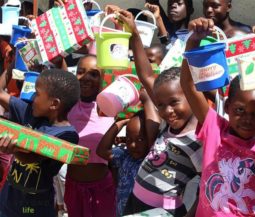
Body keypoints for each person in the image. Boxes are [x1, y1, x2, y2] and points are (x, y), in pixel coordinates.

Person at [180, 17, 255, 216]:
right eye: (240, 110)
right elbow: (188, 86)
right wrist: (193, 42)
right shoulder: (214, 127)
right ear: (228, 106)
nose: (247, 119)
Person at [112, 10, 202, 217]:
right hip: (135, 201)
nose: (167, 111)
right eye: (160, 105)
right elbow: (146, 75)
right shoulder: (169, 124)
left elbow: (206, 184)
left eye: (174, 103)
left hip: (164, 212)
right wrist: (134, 33)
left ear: (190, 95)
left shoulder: (198, 137)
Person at [0, 68, 80, 217]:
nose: (31, 97)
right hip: (6, 202)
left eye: (37, 93)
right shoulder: (29, 112)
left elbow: (32, 157)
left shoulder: (67, 135)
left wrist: (13, 149)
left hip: (34, 209)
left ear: (54, 104)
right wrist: (11, 65)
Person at [64, 54, 116, 217]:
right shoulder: (67, 104)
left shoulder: (111, 108)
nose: (85, 78)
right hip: (73, 188)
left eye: (94, 74)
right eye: (80, 72)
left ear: (103, 78)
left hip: (103, 189)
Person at [97, 89, 160, 217]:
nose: (133, 145)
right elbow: (101, 151)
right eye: (129, 139)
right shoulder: (124, 156)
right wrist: (120, 123)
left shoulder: (153, 158)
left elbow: (154, 130)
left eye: (140, 139)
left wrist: (147, 101)